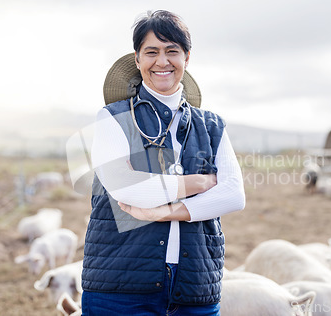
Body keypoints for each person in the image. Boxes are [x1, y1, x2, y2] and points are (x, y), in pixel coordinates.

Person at [82, 10, 245, 315]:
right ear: (137, 59)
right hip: (121, 288)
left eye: (172, 51)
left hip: (195, 286)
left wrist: (167, 212)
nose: (162, 61)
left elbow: (234, 195)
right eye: (151, 52)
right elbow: (125, 187)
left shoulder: (211, 125)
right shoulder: (112, 118)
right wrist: (197, 183)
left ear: (186, 58)